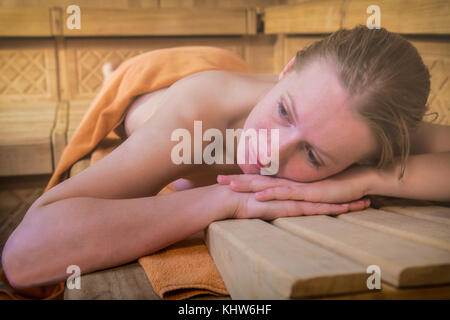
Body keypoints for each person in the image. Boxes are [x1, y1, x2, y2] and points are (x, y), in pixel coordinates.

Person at [2, 26, 449, 289]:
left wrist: (367, 180)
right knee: (132, 96)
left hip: (235, 74)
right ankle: (113, 73)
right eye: (283, 112)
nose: (268, 151)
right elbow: (24, 257)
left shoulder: (356, 118)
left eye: (313, 154)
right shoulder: (196, 119)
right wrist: (225, 200)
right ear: (289, 68)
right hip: (169, 84)